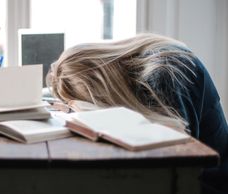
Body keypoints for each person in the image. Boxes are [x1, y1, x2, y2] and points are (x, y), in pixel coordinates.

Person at [46, 33, 228, 193]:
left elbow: (173, 164)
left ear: (101, 88)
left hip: (209, 183)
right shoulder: (143, 66)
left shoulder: (165, 73)